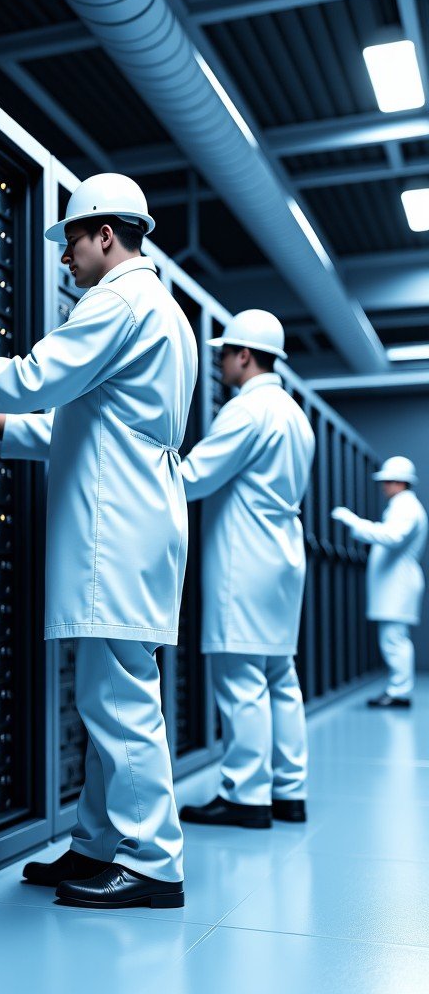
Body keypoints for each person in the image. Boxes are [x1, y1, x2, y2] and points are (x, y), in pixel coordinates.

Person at [0, 173, 197, 909]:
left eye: (72, 243)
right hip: (140, 512)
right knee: (106, 695)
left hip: (118, 524)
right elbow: (77, 428)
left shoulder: (117, 298)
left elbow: (35, 378)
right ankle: (98, 845)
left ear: (105, 235)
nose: (65, 260)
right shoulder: (165, 312)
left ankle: (154, 862)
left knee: (121, 701)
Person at [175, 310, 315, 829]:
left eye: (223, 354)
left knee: (240, 680)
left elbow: (195, 476)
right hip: (283, 558)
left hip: (246, 559)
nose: (219, 364)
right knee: (280, 676)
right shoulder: (294, 414)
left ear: (244, 355)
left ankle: (246, 795)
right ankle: (290, 791)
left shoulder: (248, 411)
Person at [333, 456, 427, 709]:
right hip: (396, 583)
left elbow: (393, 536)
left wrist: (354, 522)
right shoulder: (403, 505)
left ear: (399, 482)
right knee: (394, 639)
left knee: (394, 639)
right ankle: (398, 690)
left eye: (386, 481)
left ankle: (399, 693)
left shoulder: (405, 506)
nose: (383, 486)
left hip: (399, 584)